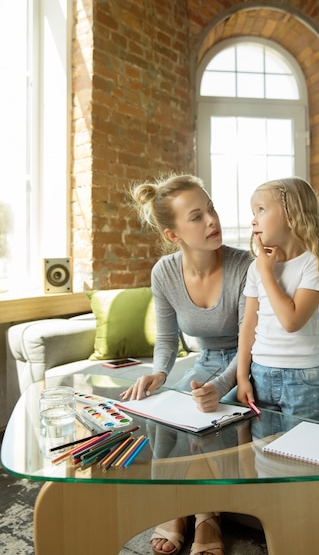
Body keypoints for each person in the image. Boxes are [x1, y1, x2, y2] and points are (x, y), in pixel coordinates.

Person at [120, 173, 252, 555]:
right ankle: (175, 507)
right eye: (196, 216)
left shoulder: (245, 266)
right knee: (162, 411)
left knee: (205, 419)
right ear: (173, 235)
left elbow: (250, 342)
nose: (212, 220)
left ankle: (207, 517)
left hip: (247, 364)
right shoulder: (163, 272)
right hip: (205, 362)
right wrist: (158, 373)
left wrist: (221, 388)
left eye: (210, 208)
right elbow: (166, 340)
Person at [236, 177, 319, 555]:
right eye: (252, 213)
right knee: (271, 476)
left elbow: (292, 320)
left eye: (261, 210)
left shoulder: (316, 265)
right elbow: (248, 325)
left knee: (308, 479)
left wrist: (267, 272)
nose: (254, 220)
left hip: (304, 383)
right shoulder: (256, 268)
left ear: (293, 213)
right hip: (261, 379)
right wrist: (241, 375)